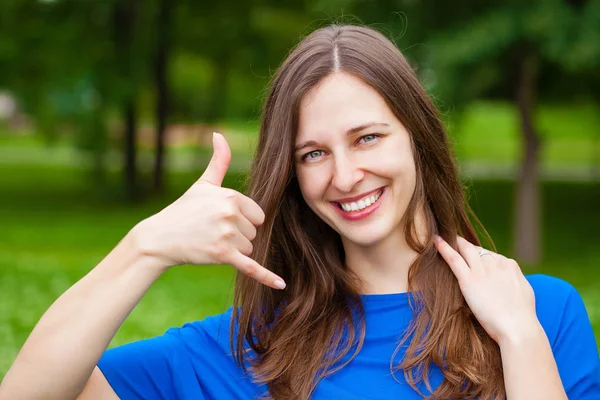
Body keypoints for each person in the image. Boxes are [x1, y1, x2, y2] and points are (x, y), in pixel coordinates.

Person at [1, 24, 599, 400]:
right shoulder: (249, 350)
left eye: (367, 138)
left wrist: (520, 337)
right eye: (314, 153)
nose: (344, 175)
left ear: (417, 137)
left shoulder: (541, 311)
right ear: (292, 174)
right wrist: (146, 246)